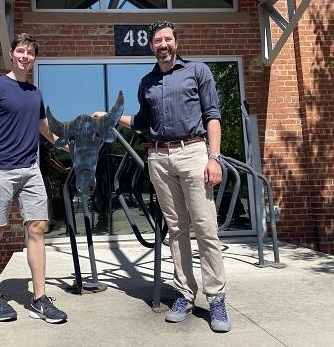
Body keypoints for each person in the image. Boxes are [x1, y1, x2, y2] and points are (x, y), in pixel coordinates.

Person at [92, 20, 231, 332]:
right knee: (178, 230)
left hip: (193, 153)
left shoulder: (197, 71)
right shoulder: (147, 83)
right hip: (158, 157)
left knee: (206, 228)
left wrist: (215, 158)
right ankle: (184, 293)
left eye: (168, 39)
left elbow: (212, 116)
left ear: (176, 42)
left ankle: (217, 298)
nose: (163, 44)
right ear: (151, 46)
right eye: (157, 41)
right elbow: (142, 121)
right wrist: (111, 117)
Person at [0, 33, 68, 324]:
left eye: (30, 52)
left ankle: (39, 298)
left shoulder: (35, 93)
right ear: (12, 54)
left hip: (30, 169)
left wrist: (66, 143)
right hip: (0, 169)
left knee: (38, 227)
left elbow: (43, 128)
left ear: (33, 58)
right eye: (21, 51)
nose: (25, 56)